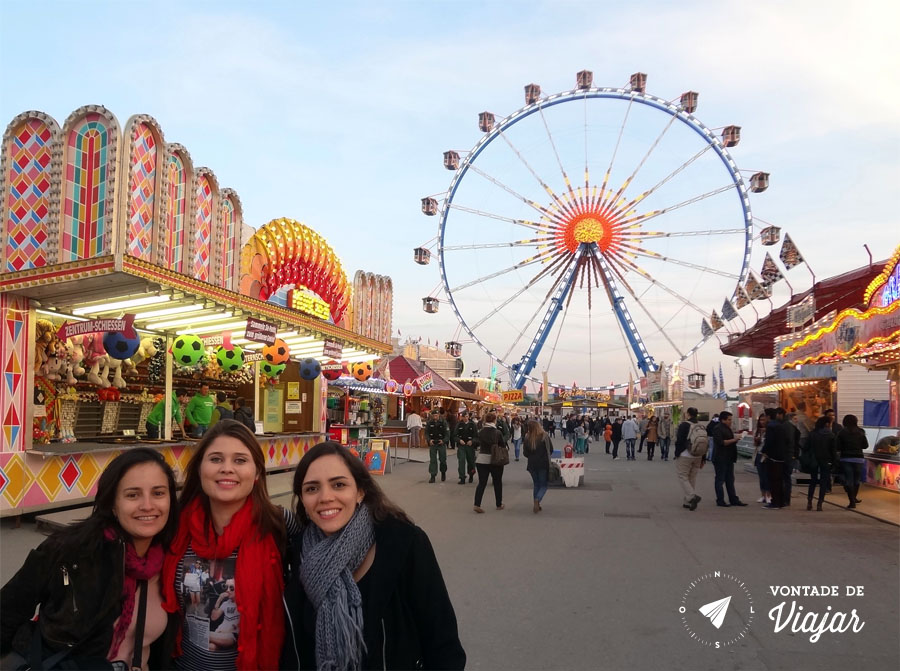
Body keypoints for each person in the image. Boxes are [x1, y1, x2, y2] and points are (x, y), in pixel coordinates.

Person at [282, 442, 466, 670]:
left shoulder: (404, 542)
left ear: (360, 491)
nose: (325, 497)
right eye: (312, 488)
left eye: (339, 484)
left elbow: (442, 641)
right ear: (303, 498)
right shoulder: (298, 551)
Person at [1, 449, 178, 670]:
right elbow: (8, 611)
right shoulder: (71, 550)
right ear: (112, 504)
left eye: (158, 493)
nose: (147, 505)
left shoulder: (174, 560)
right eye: (133, 495)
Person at [160, 420, 294, 670]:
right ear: (199, 469)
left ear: (256, 473)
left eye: (240, 460)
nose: (227, 469)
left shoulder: (278, 523)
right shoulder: (175, 526)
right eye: (216, 459)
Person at [711, 411, 748, 507]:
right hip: (720, 458)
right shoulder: (718, 428)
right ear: (723, 419)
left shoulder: (727, 428)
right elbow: (721, 442)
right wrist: (734, 440)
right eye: (729, 420)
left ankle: (733, 499)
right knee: (720, 479)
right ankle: (720, 500)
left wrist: (736, 438)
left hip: (728, 457)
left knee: (730, 479)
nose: (730, 421)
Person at [473, 412, 506, 513]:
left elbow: (476, 443)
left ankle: (477, 504)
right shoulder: (497, 432)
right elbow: (502, 445)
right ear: (494, 420)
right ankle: (499, 504)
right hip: (494, 459)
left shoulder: (481, 431)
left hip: (481, 459)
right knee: (497, 482)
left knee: (482, 483)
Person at [675, 407, 705, 510]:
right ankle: (687, 502)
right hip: (698, 455)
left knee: (683, 476)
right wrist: (703, 457)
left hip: (685, 454)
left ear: (688, 414)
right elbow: (704, 442)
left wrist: (677, 453)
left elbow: (679, 440)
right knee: (692, 477)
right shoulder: (701, 426)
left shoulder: (684, 425)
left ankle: (692, 496)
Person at [837, 414, 868, 509]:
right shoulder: (861, 431)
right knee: (857, 480)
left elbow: (838, 446)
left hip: (846, 458)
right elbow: (865, 445)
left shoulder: (841, 432)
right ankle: (854, 498)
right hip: (859, 458)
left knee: (849, 480)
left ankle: (852, 502)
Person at [807, 416, 838, 511]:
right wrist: (834, 462)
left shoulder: (812, 434)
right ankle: (820, 503)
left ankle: (809, 501)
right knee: (824, 482)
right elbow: (833, 450)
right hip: (826, 460)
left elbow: (806, 447)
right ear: (827, 424)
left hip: (814, 459)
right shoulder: (831, 435)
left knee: (813, 480)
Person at [760, 407, 789, 509]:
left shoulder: (771, 426)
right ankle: (781, 501)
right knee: (779, 480)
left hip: (773, 457)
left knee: (773, 480)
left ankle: (775, 502)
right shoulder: (781, 426)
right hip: (781, 456)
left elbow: (769, 442)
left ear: (768, 416)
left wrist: (763, 451)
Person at [523, 420, 553, 514]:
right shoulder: (544, 436)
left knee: (536, 484)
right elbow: (550, 450)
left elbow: (525, 453)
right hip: (543, 463)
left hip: (531, 464)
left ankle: (536, 503)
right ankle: (537, 500)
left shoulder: (527, 437)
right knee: (543, 485)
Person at [425, 408, 450, 483]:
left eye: (436, 415)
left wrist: (444, 440)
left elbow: (447, 433)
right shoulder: (430, 423)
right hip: (433, 443)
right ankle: (433, 475)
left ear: (438, 415)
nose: (435, 417)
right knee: (433, 460)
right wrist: (429, 440)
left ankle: (443, 472)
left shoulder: (443, 422)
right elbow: (426, 433)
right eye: (434, 415)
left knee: (442, 459)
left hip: (441, 443)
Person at [752, 413, 771, 504]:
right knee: (761, 476)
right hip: (759, 454)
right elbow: (754, 444)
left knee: (767, 476)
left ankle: (768, 495)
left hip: (766, 455)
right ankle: (762, 495)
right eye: (761, 420)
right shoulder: (757, 430)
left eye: (764, 420)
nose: (762, 422)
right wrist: (756, 440)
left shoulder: (770, 430)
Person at [455, 410, 478, 484]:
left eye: (467, 416)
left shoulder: (473, 424)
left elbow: (476, 436)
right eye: (464, 416)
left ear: (469, 417)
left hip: (470, 445)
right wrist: (459, 440)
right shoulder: (459, 424)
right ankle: (462, 477)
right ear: (462, 417)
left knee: (471, 461)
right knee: (461, 461)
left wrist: (472, 441)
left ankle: (471, 474)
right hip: (462, 445)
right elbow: (454, 435)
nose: (466, 418)